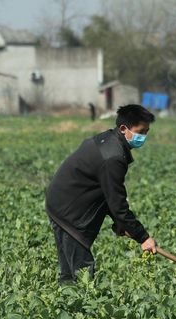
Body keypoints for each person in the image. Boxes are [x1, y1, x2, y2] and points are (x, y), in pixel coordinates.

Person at [45, 104, 158, 282]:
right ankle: (75, 306)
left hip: (61, 203)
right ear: (123, 128)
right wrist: (143, 237)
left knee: (70, 275)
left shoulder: (110, 140)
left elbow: (105, 191)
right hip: (69, 212)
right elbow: (117, 203)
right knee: (82, 274)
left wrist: (120, 223)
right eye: (140, 131)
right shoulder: (113, 158)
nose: (143, 137)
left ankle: (67, 302)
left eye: (146, 132)